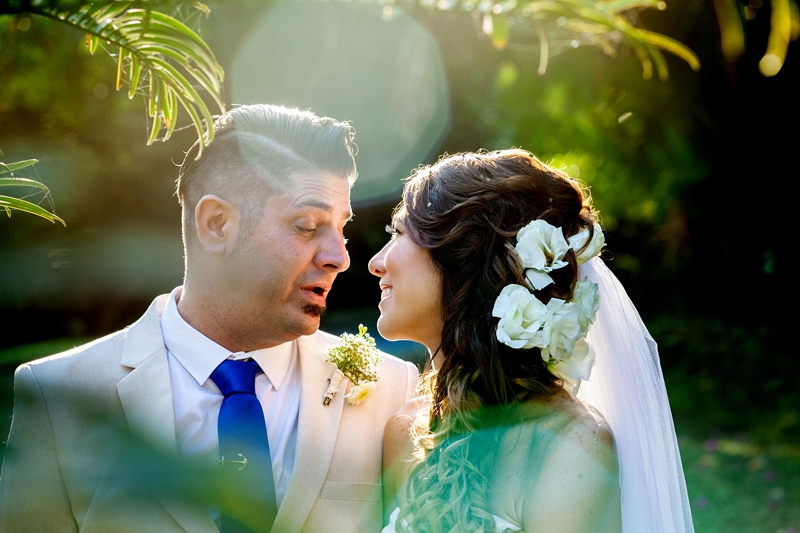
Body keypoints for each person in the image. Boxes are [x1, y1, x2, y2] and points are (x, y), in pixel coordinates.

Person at [0, 104, 418, 533]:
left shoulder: (391, 391)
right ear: (216, 224)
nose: (340, 258)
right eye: (307, 225)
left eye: (341, 229)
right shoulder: (59, 396)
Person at [370, 149, 693, 532]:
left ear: (464, 260)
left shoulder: (569, 449)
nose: (376, 261)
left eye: (400, 234)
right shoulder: (400, 433)